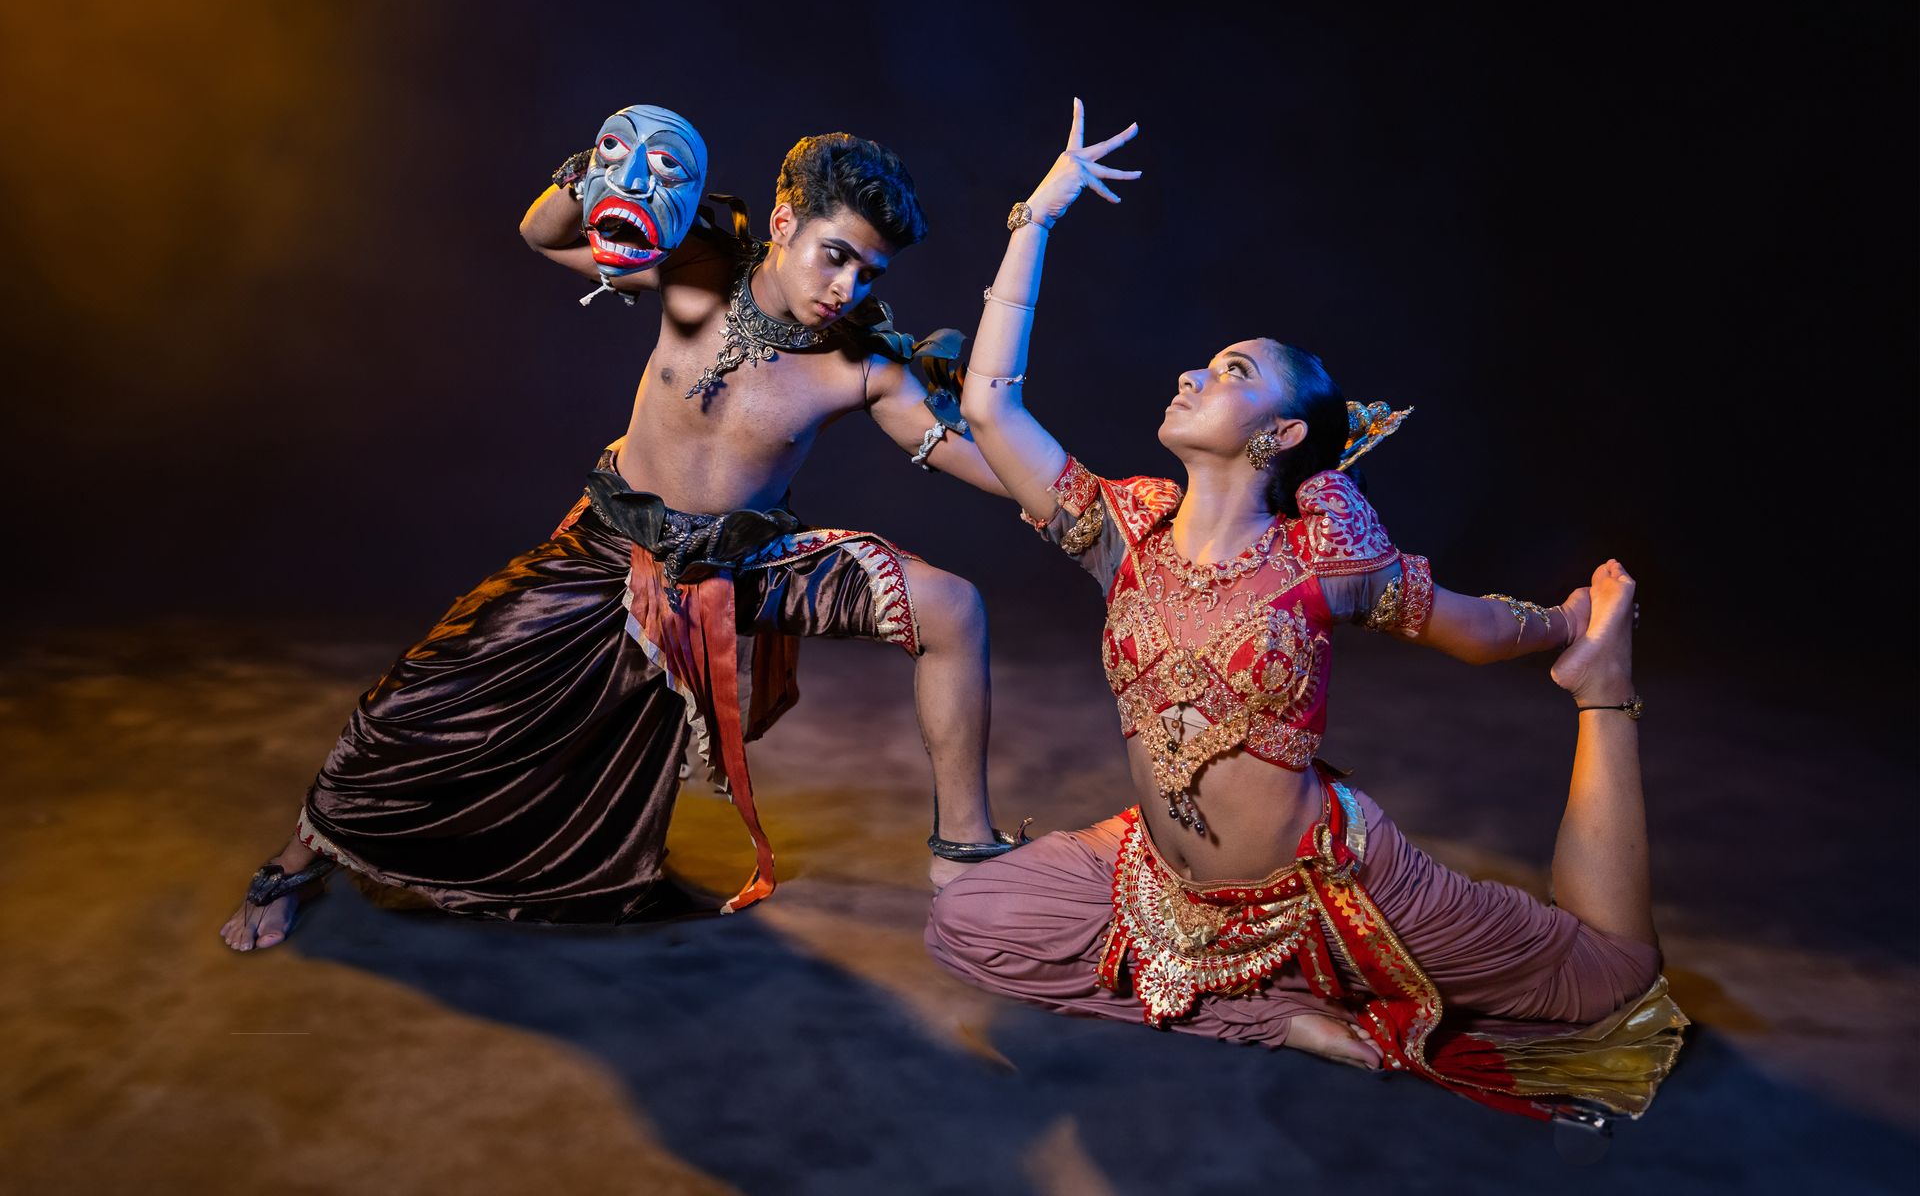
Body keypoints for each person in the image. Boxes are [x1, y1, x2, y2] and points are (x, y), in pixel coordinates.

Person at [925, 101, 1687, 1122]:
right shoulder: (1122, 530)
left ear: (1280, 432)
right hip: (1164, 881)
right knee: (963, 919)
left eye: (1232, 370)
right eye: (1202, 362)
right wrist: (1039, 219)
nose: (1193, 372)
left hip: (1330, 887)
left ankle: (1609, 697)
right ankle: (1270, 1015)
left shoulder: (1319, 558)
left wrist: (1570, 630)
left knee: (1610, 983)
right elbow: (987, 403)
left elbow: (1465, 626)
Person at [221, 105, 1025, 952]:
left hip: (738, 569)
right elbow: (544, 236)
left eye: (869, 272)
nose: (847, 289)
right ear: (785, 223)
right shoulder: (694, 268)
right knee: (419, 701)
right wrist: (595, 172)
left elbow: (966, 451)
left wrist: (1073, 497)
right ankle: (297, 861)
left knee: (952, 607)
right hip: (610, 553)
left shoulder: (865, 364)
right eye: (836, 257)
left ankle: (963, 854)